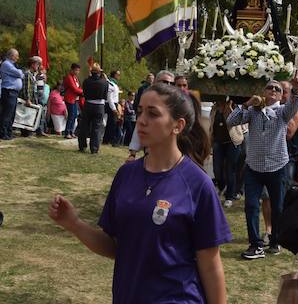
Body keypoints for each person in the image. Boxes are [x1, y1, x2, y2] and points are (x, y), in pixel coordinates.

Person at [49, 82, 230, 304]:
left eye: (153, 114)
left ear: (177, 125)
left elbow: (211, 265)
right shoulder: (126, 174)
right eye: (141, 111)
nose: (142, 120)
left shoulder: (198, 184)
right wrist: (74, 223)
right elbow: (116, 246)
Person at [226, 77, 298, 259]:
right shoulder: (253, 111)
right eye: (270, 88)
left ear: (282, 95)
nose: (273, 90)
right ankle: (255, 245)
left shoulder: (283, 112)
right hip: (254, 168)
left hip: (278, 167)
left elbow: (295, 103)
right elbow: (231, 120)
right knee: (251, 206)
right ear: (264, 91)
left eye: (278, 89)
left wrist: (296, 90)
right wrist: (247, 103)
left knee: (278, 207)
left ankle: (275, 241)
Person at [127, 70, 175, 161]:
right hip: (151, 148)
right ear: (156, 83)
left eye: (171, 83)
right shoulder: (148, 100)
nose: (168, 85)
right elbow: (140, 124)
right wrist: (133, 153)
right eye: (164, 82)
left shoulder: (177, 102)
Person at [210, 97, 244, 207]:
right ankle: (221, 186)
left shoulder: (234, 108)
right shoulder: (214, 108)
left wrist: (228, 107)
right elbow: (212, 125)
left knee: (231, 170)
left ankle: (229, 196)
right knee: (217, 169)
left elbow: (232, 121)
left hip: (232, 142)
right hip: (218, 142)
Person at [78, 64, 109, 154]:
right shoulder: (104, 82)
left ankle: (82, 145)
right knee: (96, 128)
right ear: (100, 72)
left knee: (84, 126)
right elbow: (105, 95)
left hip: (88, 104)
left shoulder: (86, 81)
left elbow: (84, 93)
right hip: (99, 106)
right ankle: (94, 148)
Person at [0, 49, 22, 141]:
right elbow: (19, 73)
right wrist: (19, 72)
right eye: (16, 56)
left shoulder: (12, 65)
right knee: (7, 113)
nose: (17, 58)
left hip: (14, 92)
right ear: (11, 55)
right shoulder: (6, 64)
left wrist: (19, 73)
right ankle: (3, 133)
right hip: (9, 91)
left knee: (11, 114)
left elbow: (20, 74)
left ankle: (8, 132)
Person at [62, 63, 83, 139]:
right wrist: (83, 91)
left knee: (74, 115)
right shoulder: (69, 77)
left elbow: (78, 87)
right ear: (72, 70)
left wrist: (80, 91)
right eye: (76, 70)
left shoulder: (75, 78)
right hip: (69, 99)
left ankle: (71, 131)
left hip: (75, 99)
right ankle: (67, 132)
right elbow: (74, 88)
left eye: (78, 70)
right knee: (71, 115)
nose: (77, 72)